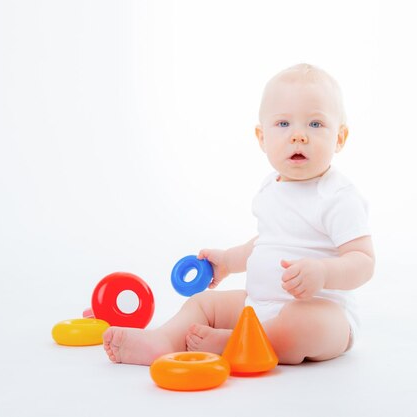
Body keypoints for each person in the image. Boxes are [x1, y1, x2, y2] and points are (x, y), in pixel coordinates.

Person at [103, 63, 375, 366]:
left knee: (302, 326)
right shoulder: (270, 188)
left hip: (321, 312)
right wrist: (229, 261)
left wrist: (324, 273)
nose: (299, 136)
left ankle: (239, 344)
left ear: (340, 138)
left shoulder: (338, 196)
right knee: (202, 304)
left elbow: (363, 262)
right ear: (262, 138)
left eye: (315, 124)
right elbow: (266, 243)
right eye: (283, 124)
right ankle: (163, 341)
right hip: (256, 304)